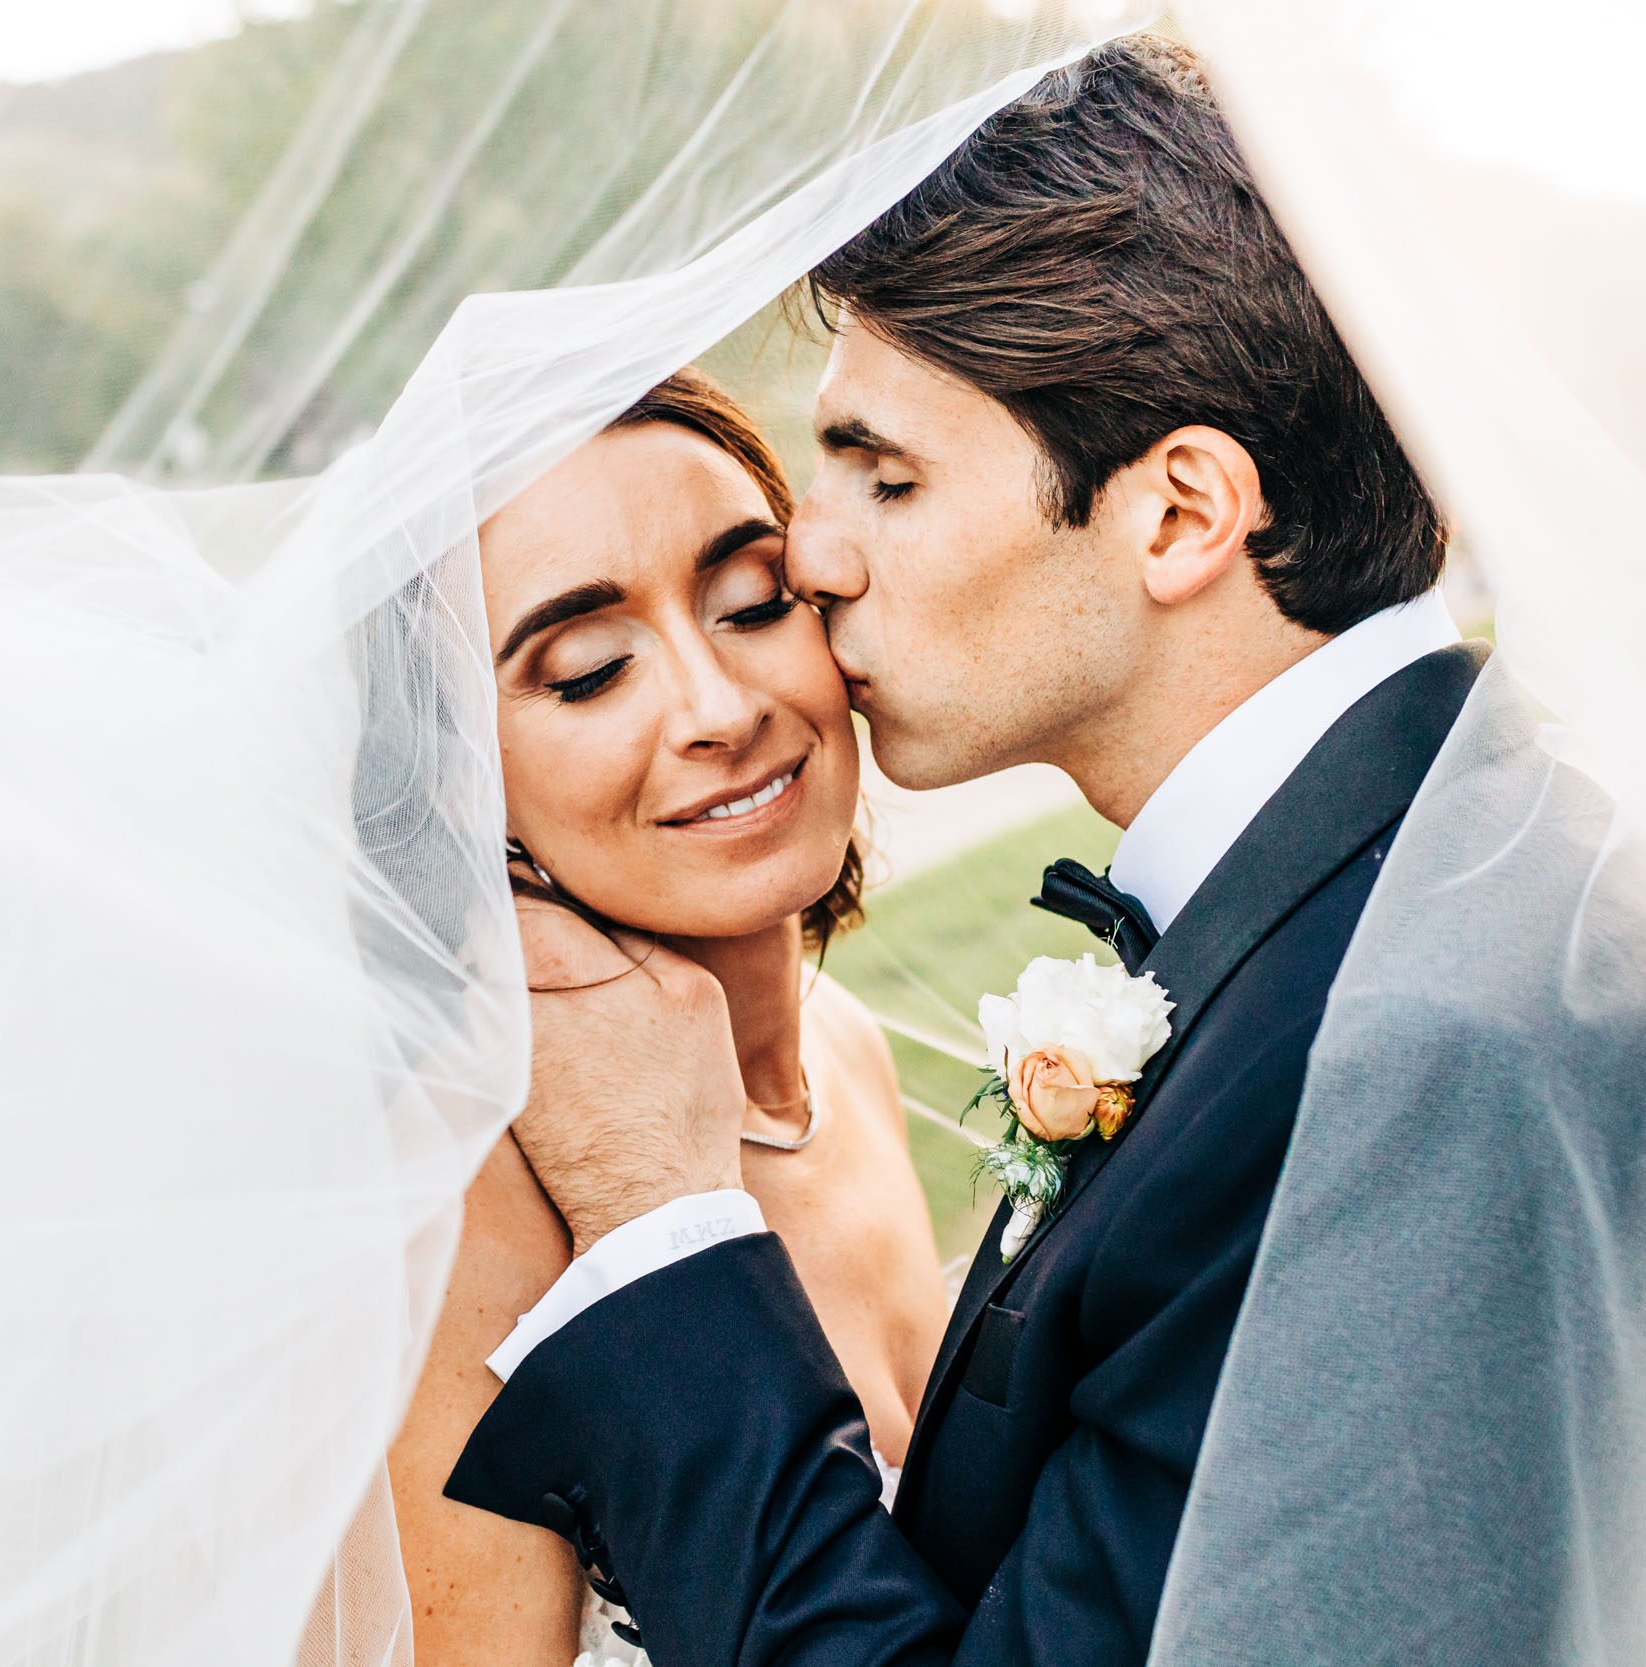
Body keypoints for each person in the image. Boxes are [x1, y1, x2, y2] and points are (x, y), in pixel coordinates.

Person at [444, 36, 1501, 1663]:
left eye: (885, 474)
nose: (818, 556)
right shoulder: (1433, 862)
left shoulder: (1362, 1039)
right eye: (584, 669)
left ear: (1177, 515)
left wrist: (657, 1224)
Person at [386, 369, 951, 1667]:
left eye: (754, 602)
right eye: (587, 673)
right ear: (461, 779)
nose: (720, 707)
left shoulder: (844, 1054)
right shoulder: (462, 1192)